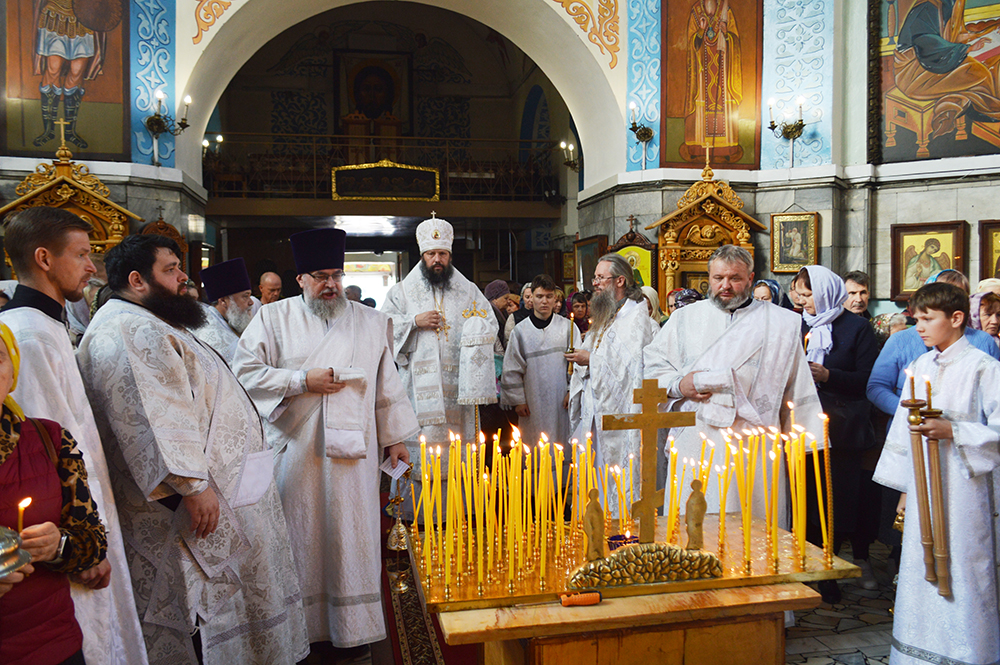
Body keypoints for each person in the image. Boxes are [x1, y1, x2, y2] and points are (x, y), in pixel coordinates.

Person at [77, 235, 309, 664]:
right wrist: (193, 485)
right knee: (199, 620)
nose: (184, 277)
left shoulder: (151, 319)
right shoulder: (132, 329)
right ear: (137, 279)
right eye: (170, 269)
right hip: (189, 507)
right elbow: (154, 417)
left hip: (218, 494)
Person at [234, 228, 418, 652]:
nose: (331, 284)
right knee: (301, 540)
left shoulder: (372, 322)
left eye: (336, 274)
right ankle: (303, 633)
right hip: (297, 456)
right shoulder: (272, 318)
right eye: (319, 275)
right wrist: (301, 380)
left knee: (351, 539)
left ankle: (353, 632)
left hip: (356, 459)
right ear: (300, 279)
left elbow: (386, 384)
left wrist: (395, 441)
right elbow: (242, 375)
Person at [0, 207, 147, 665]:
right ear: (44, 258)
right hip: (55, 541)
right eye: (82, 254)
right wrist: (77, 548)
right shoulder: (29, 334)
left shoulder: (47, 325)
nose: (92, 267)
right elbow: (41, 457)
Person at [874, 282, 1000, 665]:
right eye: (917, 320)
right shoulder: (920, 367)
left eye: (927, 319)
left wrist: (955, 431)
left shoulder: (984, 368)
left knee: (966, 566)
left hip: (967, 492)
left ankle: (970, 653)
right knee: (919, 566)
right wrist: (904, 491)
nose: (919, 328)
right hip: (924, 488)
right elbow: (900, 432)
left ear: (957, 318)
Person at [644, 245, 821, 516]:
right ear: (709, 278)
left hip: (756, 443)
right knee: (695, 526)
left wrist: (801, 441)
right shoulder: (683, 319)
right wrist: (679, 385)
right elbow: (652, 367)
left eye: (735, 278)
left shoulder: (781, 323)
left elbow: (796, 385)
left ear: (750, 279)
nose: (725, 286)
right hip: (696, 438)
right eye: (718, 278)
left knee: (755, 528)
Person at [0, 322, 109, 665]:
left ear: (12, 368)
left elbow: (93, 539)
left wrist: (58, 544)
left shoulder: (48, 439)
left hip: (53, 643)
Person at [381, 216, 498, 516]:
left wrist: (476, 327)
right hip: (416, 397)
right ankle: (413, 515)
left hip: (459, 394)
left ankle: (456, 514)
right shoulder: (401, 293)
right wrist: (414, 322)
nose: (437, 259)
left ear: (449, 255)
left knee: (457, 456)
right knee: (419, 452)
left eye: (442, 254)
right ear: (422, 255)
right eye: (431, 254)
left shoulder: (468, 290)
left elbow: (490, 323)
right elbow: (381, 332)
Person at [793, 265, 881, 600]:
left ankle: (828, 571)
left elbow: (867, 379)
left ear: (826, 291)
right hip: (801, 424)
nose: (803, 300)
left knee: (834, 502)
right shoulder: (796, 324)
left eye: (808, 293)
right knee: (804, 499)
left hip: (841, 429)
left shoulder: (856, 328)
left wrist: (829, 376)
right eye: (799, 294)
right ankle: (804, 567)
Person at [566, 253, 659, 516]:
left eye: (600, 277)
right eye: (594, 277)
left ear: (620, 281)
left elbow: (631, 369)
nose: (594, 283)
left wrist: (590, 360)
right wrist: (584, 361)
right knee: (595, 473)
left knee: (619, 475)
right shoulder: (607, 315)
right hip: (595, 413)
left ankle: (619, 528)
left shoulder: (636, 320)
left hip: (621, 414)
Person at [502, 274, 581, 447]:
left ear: (555, 299)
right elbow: (512, 369)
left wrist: (571, 391)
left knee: (562, 442)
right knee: (534, 445)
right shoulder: (520, 332)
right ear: (531, 299)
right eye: (539, 296)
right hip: (531, 401)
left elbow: (577, 366)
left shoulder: (568, 328)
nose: (544, 301)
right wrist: (518, 400)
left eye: (549, 296)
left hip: (561, 400)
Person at [192, 257, 254, 365]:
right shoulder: (212, 334)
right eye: (245, 296)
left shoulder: (229, 321)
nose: (251, 302)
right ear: (223, 301)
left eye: (250, 296)